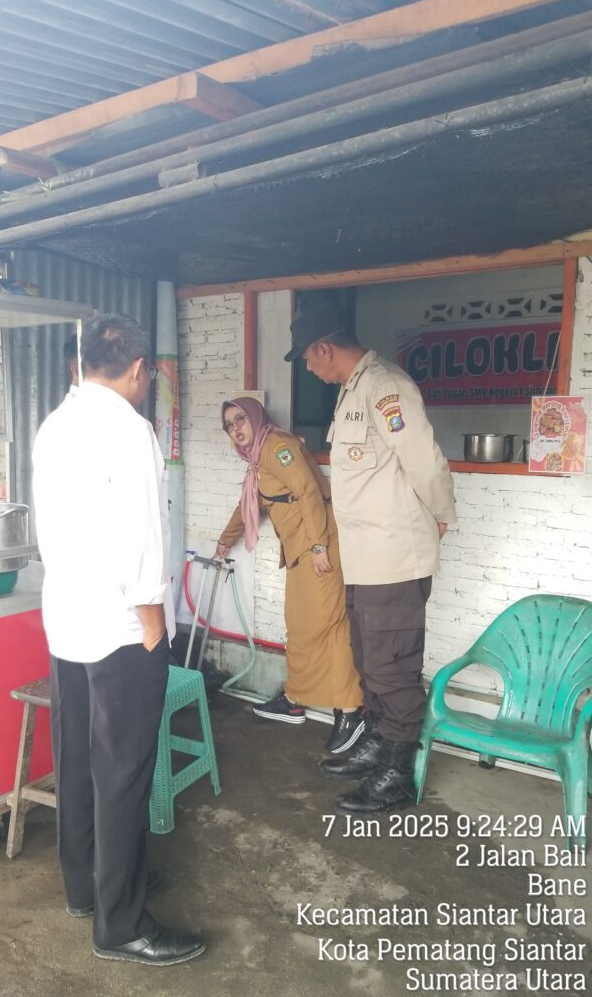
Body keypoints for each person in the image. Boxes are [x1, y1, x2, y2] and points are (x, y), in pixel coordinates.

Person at [33, 313, 205, 966]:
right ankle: (122, 924)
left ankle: (89, 889)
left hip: (67, 621)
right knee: (125, 772)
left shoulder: (56, 425)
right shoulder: (130, 431)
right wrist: (153, 627)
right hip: (120, 630)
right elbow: (141, 537)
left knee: (77, 758)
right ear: (139, 370)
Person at [284, 299, 457, 814]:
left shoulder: (386, 386)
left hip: (393, 558)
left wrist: (442, 514)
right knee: (369, 661)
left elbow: (425, 461)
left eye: (308, 359)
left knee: (392, 668)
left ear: (324, 347)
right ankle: (380, 745)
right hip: (365, 560)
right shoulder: (352, 391)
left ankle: (398, 776)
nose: (309, 368)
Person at [216, 396, 364, 753]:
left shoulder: (278, 448)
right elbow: (249, 504)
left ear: (256, 417)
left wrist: (317, 548)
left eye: (240, 419)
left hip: (320, 547)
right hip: (301, 550)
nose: (236, 429)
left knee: (329, 626)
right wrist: (224, 542)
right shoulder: (256, 459)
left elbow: (308, 491)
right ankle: (295, 698)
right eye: (229, 425)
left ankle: (351, 710)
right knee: (300, 625)